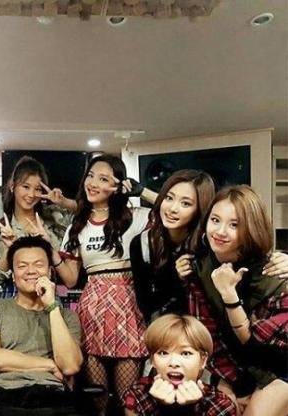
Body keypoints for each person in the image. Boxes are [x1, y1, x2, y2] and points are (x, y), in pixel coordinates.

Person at [176, 185, 288, 415]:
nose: (220, 231)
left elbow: (258, 346)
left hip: (278, 366)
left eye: (234, 225)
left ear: (251, 228)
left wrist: (229, 296)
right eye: (215, 220)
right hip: (235, 367)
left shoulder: (274, 272)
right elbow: (208, 335)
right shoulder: (199, 268)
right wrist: (230, 382)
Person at [55, 154, 150, 414]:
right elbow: (71, 279)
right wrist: (52, 254)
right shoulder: (76, 226)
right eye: (91, 176)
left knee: (127, 396)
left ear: (118, 185)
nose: (93, 183)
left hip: (128, 306)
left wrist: (141, 191)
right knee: (97, 397)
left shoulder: (136, 217)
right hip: (92, 308)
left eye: (104, 179)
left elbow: (175, 211)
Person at [0, 236, 84, 415]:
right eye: (22, 266)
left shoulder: (66, 317)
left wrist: (52, 306)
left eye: (38, 265)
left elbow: (69, 366)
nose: (30, 271)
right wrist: (49, 365)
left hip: (49, 393)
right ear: (13, 276)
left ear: (50, 272)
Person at [130, 170, 216, 323]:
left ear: (199, 209)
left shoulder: (208, 243)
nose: (172, 209)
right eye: (169, 198)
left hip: (205, 328)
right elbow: (146, 305)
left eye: (185, 203)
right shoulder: (143, 243)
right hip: (167, 328)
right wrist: (175, 278)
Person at [0, 156, 75, 297]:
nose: (31, 194)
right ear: (12, 186)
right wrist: (10, 249)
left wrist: (63, 202)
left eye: (38, 189)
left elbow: (88, 212)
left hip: (49, 295)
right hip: (12, 298)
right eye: (26, 187)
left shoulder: (54, 219)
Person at [122, 314, 237, 415]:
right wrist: (164, 408)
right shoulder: (138, 396)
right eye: (163, 353)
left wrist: (188, 409)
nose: (174, 363)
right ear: (152, 360)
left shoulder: (220, 404)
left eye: (186, 353)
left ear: (202, 361)